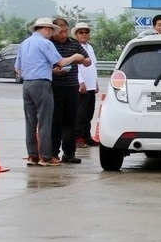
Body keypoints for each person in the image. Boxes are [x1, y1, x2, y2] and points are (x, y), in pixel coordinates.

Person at [14, 17, 86, 167]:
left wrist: (30, 74)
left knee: (30, 122)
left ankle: (32, 156)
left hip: (27, 84)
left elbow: (17, 69)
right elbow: (61, 62)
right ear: (46, 29)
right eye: (51, 31)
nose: (51, 34)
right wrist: (74, 57)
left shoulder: (25, 43)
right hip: (42, 83)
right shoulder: (45, 43)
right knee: (45, 122)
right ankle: (46, 157)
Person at [51, 18, 91, 164]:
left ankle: (69, 153)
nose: (64, 35)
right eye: (61, 32)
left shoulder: (73, 43)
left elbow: (88, 61)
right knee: (55, 121)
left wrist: (82, 60)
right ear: (54, 31)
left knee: (70, 121)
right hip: (55, 87)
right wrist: (54, 70)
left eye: (66, 31)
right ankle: (53, 153)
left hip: (71, 87)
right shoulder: (49, 44)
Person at [73, 23, 99, 148]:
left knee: (89, 113)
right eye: (81, 32)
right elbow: (76, 67)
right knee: (80, 113)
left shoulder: (90, 48)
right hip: (82, 86)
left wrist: (96, 82)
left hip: (91, 85)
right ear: (76, 34)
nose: (84, 34)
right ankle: (77, 137)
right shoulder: (75, 48)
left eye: (86, 32)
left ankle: (87, 136)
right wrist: (80, 82)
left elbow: (93, 66)